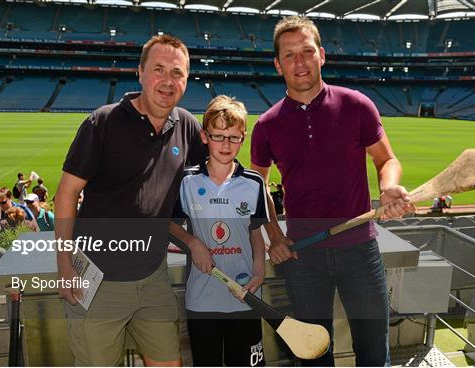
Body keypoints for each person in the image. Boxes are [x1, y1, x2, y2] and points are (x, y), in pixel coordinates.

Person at [250, 16, 414, 366]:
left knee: (373, 350)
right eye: (290, 55)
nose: (300, 61)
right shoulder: (266, 125)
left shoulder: (357, 105)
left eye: (307, 51)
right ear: (278, 65)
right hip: (302, 256)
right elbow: (256, 186)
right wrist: (275, 235)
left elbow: (386, 160)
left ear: (321, 55)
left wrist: (390, 187)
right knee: (312, 354)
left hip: (360, 249)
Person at [55, 34, 206, 366]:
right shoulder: (103, 121)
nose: (168, 81)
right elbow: (66, 195)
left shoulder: (187, 127)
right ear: (140, 73)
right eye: (159, 69)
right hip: (98, 281)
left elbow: (209, 182)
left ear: (187, 79)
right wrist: (64, 266)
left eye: (178, 73)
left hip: (153, 278)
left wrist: (195, 240)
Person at [170, 96, 269, 367]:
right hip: (203, 300)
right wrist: (193, 242)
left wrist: (259, 270)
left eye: (234, 137)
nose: (226, 145)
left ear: (243, 138)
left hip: (245, 298)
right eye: (218, 136)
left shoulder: (253, 183)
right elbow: (169, 225)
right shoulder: (187, 181)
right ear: (204, 136)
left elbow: (255, 233)